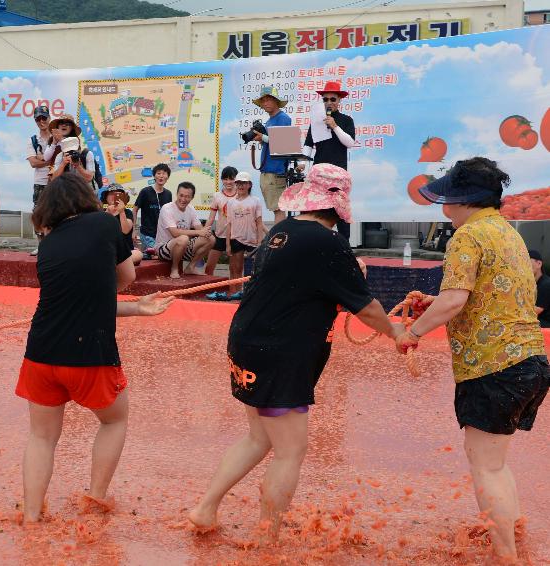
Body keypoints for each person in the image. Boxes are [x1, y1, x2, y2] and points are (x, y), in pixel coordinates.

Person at [189, 163, 401, 540]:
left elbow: (303, 289)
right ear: (336, 208)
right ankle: (266, 534)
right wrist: (396, 332)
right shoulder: (327, 242)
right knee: (290, 450)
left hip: (247, 341)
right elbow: (366, 308)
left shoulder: (282, 231)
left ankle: (205, 508)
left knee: (259, 438)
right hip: (279, 351)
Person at [395, 157, 548, 562]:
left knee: (488, 467)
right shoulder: (506, 232)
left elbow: (454, 300)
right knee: (496, 462)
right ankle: (509, 532)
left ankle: (506, 555)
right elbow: (478, 296)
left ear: (460, 198)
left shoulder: (466, 237)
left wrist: (412, 333)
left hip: (493, 366)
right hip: (529, 362)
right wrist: (435, 304)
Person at [18, 172, 173, 523]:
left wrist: (135, 308)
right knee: (114, 421)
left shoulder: (49, 242)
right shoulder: (105, 223)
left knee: (41, 437)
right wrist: (127, 293)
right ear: (85, 197)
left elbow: (76, 300)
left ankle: (30, 516)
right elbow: (126, 279)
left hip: (41, 351)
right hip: (90, 353)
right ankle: (95, 500)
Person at [303, 81, 356, 240]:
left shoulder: (346, 120)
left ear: (339, 100)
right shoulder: (317, 120)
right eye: (325, 99)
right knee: (317, 208)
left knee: (340, 209)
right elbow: (308, 144)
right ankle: (318, 243)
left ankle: (344, 245)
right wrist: (302, 164)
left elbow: (350, 143)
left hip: (338, 172)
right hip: (319, 172)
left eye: (333, 99)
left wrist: (335, 126)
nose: (329, 102)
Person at [155, 182, 215, 279]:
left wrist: (206, 231)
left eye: (187, 197)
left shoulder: (191, 209)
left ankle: (191, 267)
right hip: (163, 249)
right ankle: (174, 268)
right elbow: (175, 233)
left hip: (183, 247)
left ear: (192, 197)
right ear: (177, 194)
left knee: (211, 239)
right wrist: (199, 232)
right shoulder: (167, 208)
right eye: (181, 195)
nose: (183, 199)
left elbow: (199, 229)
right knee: (183, 238)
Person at [250, 86, 292, 223]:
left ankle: (278, 241)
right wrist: (262, 139)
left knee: (278, 209)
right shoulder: (269, 121)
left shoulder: (283, 118)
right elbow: (272, 143)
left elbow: (284, 143)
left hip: (276, 170)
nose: (265, 103)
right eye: (263, 101)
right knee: (276, 209)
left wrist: (263, 137)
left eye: (269, 100)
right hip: (268, 169)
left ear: (276, 101)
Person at [224, 172, 265, 300]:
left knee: (251, 270)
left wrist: (259, 241)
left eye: (244, 183)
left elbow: (259, 223)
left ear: (249, 185)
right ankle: (237, 294)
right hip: (236, 239)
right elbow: (229, 224)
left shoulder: (255, 201)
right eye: (239, 183)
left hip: (252, 240)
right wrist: (228, 245)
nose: (241, 186)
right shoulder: (230, 203)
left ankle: (249, 294)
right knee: (237, 268)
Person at [27, 105, 53, 256]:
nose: (41, 121)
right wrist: (48, 160)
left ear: (49, 118)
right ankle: (41, 245)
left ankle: (55, 244)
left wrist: (41, 158)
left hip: (56, 180)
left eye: (44, 117)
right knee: (38, 213)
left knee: (58, 212)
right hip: (40, 182)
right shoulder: (32, 140)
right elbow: (32, 163)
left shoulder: (57, 137)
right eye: (38, 118)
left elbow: (60, 158)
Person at [204, 166, 238, 280]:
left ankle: (234, 294)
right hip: (219, 236)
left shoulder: (241, 195)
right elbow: (211, 218)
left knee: (234, 269)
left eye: (231, 179)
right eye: (225, 179)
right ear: (222, 180)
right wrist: (203, 231)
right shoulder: (217, 196)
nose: (228, 182)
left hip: (235, 238)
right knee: (209, 268)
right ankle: (208, 291)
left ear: (236, 180)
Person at [132, 163, 173, 252]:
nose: (161, 176)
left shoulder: (168, 194)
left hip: (163, 235)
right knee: (155, 254)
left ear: (167, 177)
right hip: (147, 234)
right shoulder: (145, 191)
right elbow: (134, 210)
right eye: (158, 173)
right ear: (154, 176)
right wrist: (134, 230)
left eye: (164, 173)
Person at [49, 114, 96, 187]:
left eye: (67, 123)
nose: (64, 125)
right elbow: (53, 179)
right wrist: (63, 164)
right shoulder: (59, 155)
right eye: (61, 123)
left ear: (72, 128)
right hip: (66, 195)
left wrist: (77, 165)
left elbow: (89, 177)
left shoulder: (86, 154)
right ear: (57, 127)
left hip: (84, 195)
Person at [102, 184, 142, 266]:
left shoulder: (127, 212)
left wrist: (121, 212)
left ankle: (113, 264)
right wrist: (107, 213)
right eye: (111, 194)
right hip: (108, 251)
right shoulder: (101, 213)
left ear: (123, 197)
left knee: (138, 254)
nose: (114, 196)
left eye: (118, 194)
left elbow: (125, 230)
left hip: (125, 253)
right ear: (106, 197)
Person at [529, 249, 550, 328]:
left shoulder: (546, 284)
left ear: (539, 263)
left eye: (528, 262)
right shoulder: (533, 284)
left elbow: (536, 310)